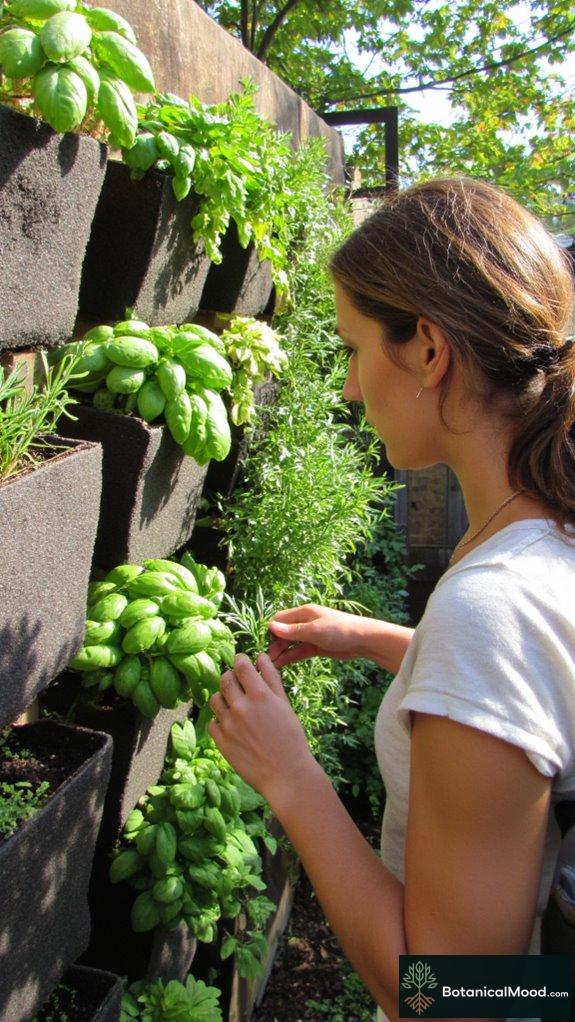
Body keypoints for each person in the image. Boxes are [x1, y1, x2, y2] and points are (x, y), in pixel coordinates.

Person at [208, 177, 575, 1021]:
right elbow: (535, 713)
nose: (345, 386)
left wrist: (290, 776)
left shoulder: (493, 608)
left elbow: (462, 1000)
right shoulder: (538, 534)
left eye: (351, 346)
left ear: (427, 352)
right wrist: (380, 639)